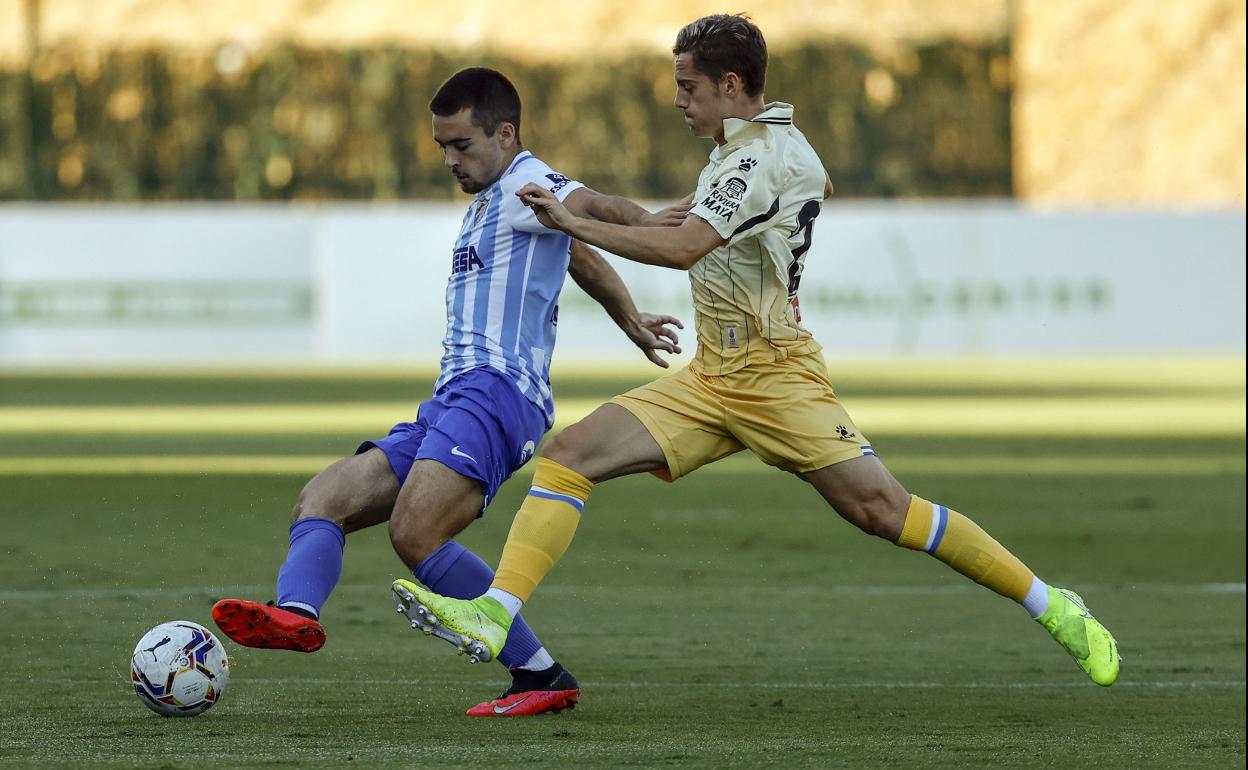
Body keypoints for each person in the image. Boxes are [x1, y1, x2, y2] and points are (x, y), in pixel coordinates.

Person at [390, 16, 1121, 689]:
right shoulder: (744, 153)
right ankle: (495, 610)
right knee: (569, 454)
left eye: (688, 86)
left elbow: (683, 248)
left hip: (776, 375)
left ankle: (1051, 602)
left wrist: (567, 219)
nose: (678, 100)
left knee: (885, 512)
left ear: (731, 85)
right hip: (713, 375)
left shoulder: (759, 159)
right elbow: (789, 188)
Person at [212, 67, 689, 717]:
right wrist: (630, 318)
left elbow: (593, 210)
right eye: (441, 146)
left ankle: (537, 672)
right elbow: (578, 253)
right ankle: (296, 613)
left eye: (461, 145)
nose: (449, 159)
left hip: (498, 396)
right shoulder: (496, 204)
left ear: (504, 133)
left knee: (416, 532)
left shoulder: (529, 181)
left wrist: (652, 221)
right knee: (323, 498)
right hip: (451, 401)